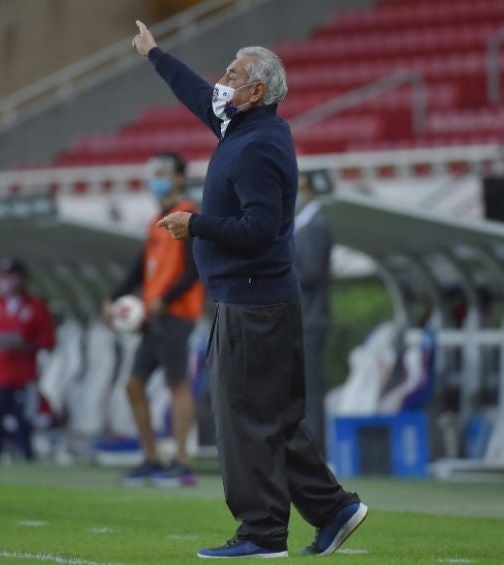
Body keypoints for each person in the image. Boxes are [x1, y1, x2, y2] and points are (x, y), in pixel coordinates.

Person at [133, 21, 366, 558]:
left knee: (243, 422)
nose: (221, 82)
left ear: (256, 91)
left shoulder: (258, 145)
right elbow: (197, 96)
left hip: (253, 303)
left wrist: (197, 225)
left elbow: (259, 230)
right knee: (273, 420)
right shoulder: (244, 129)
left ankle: (262, 533)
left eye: (233, 75)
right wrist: (155, 54)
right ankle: (334, 510)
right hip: (259, 301)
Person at [104, 152, 205, 487]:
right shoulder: (157, 219)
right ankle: (151, 458)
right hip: (153, 316)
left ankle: (182, 462)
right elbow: (139, 266)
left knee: (178, 384)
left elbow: (195, 270)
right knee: (134, 384)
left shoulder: (190, 214)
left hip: (176, 314)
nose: (156, 179)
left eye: (163, 172)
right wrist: (113, 297)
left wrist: (166, 299)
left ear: (179, 176)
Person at [0, 258, 55, 461]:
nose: (7, 281)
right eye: (4, 277)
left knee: (24, 422)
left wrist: (27, 347)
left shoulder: (36, 307)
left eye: (11, 276)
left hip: (24, 376)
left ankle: (27, 461)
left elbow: (49, 340)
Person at [294, 172, 334, 452]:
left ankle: (315, 448)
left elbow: (310, 272)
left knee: (311, 387)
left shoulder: (317, 225)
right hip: (301, 317)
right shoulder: (302, 224)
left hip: (311, 318)